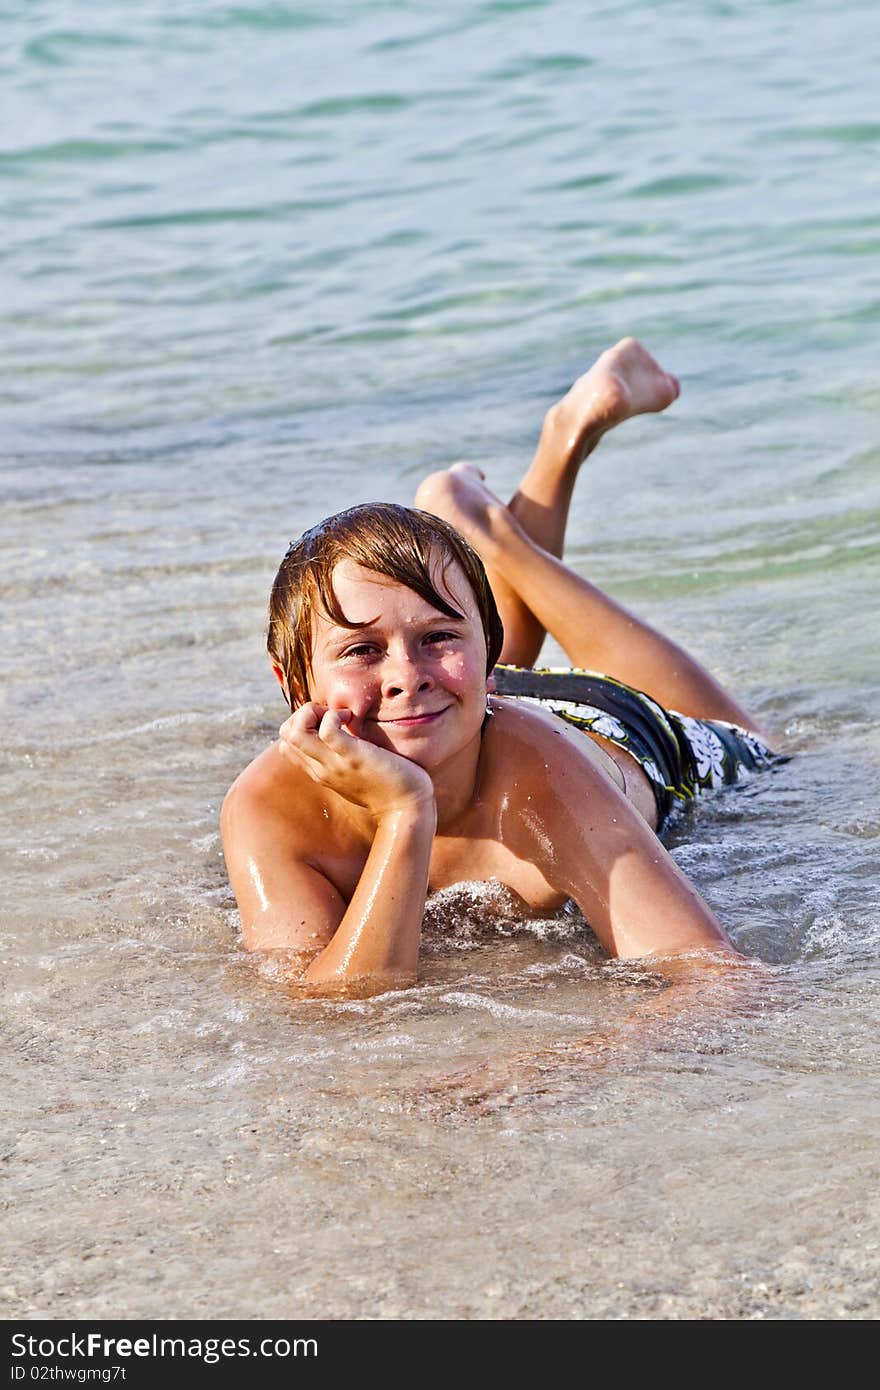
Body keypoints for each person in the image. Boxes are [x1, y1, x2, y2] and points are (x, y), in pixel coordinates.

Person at [221, 339, 780, 998]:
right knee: (436, 669)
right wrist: (407, 812)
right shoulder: (267, 807)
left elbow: (719, 981)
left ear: (487, 659)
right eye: (361, 650)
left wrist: (553, 1071)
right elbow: (337, 1015)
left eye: (438, 637)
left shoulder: (544, 780)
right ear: (292, 683)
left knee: (760, 748)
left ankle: (491, 525)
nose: (404, 672)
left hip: (615, 730)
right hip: (472, 705)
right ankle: (488, 519)